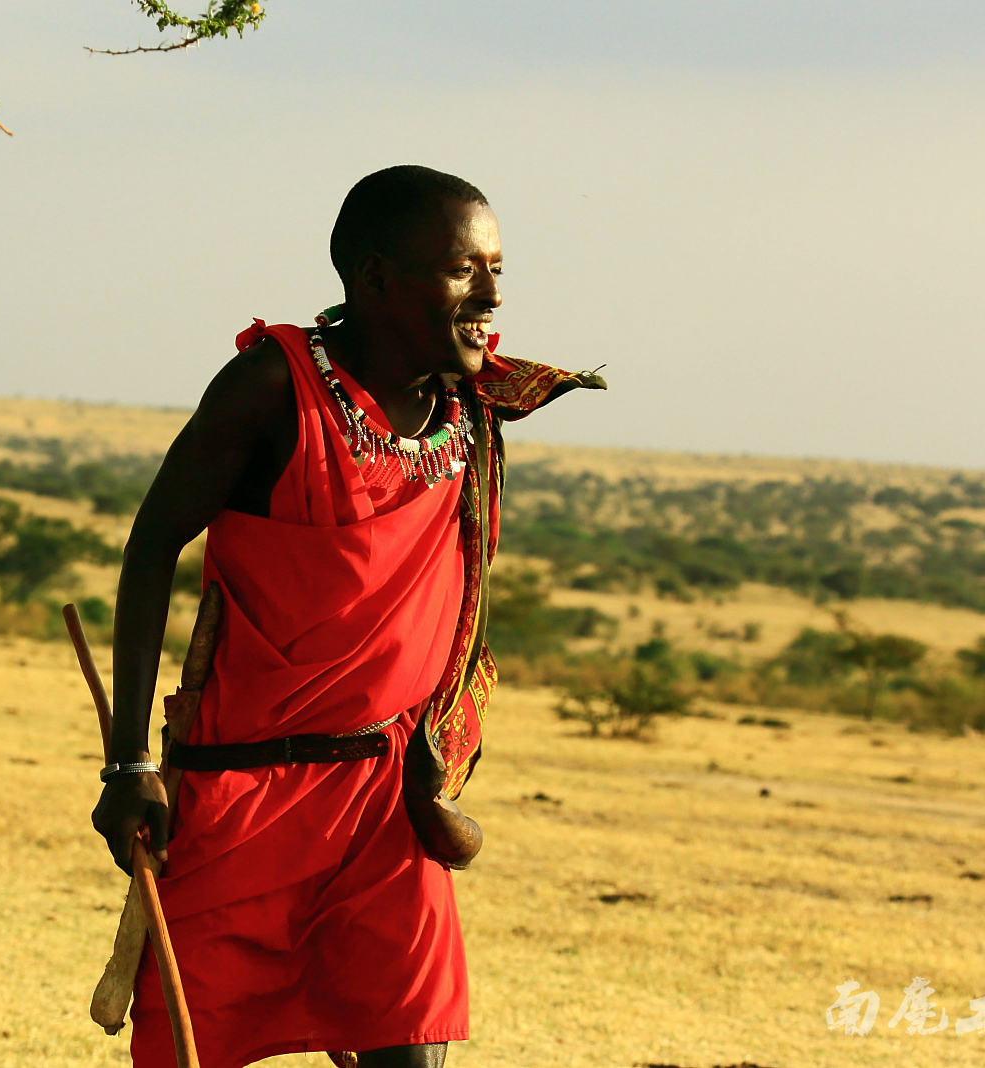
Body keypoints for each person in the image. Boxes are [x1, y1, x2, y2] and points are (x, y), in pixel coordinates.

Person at [92, 164, 605, 1068]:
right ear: (374, 278)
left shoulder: (469, 409)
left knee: (411, 1046)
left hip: (390, 804)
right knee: (190, 1044)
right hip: (241, 793)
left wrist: (442, 770)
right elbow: (149, 547)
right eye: (461, 269)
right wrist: (131, 762)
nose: (490, 294)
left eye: (495, 268)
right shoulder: (270, 387)